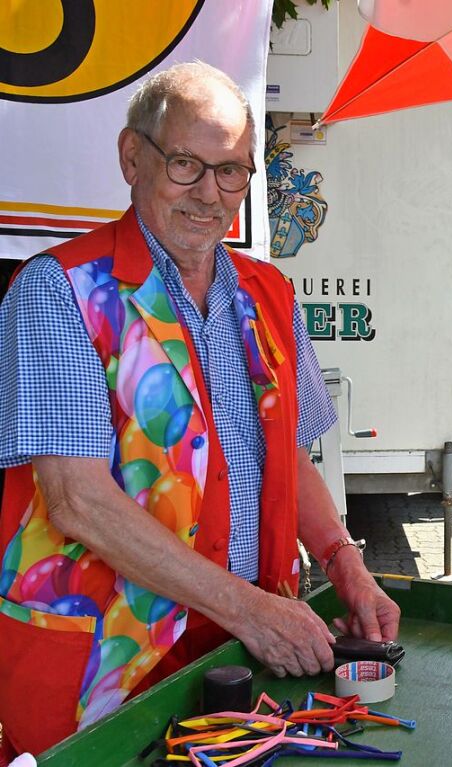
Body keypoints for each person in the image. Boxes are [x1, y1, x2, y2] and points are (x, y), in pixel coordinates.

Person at [0, 62, 401, 757]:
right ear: (133, 156)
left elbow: (290, 460)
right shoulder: (57, 291)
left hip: (242, 655)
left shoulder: (269, 291)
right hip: (106, 663)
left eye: (232, 171)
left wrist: (344, 563)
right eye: (186, 164)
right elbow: (77, 501)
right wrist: (247, 608)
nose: (209, 195)